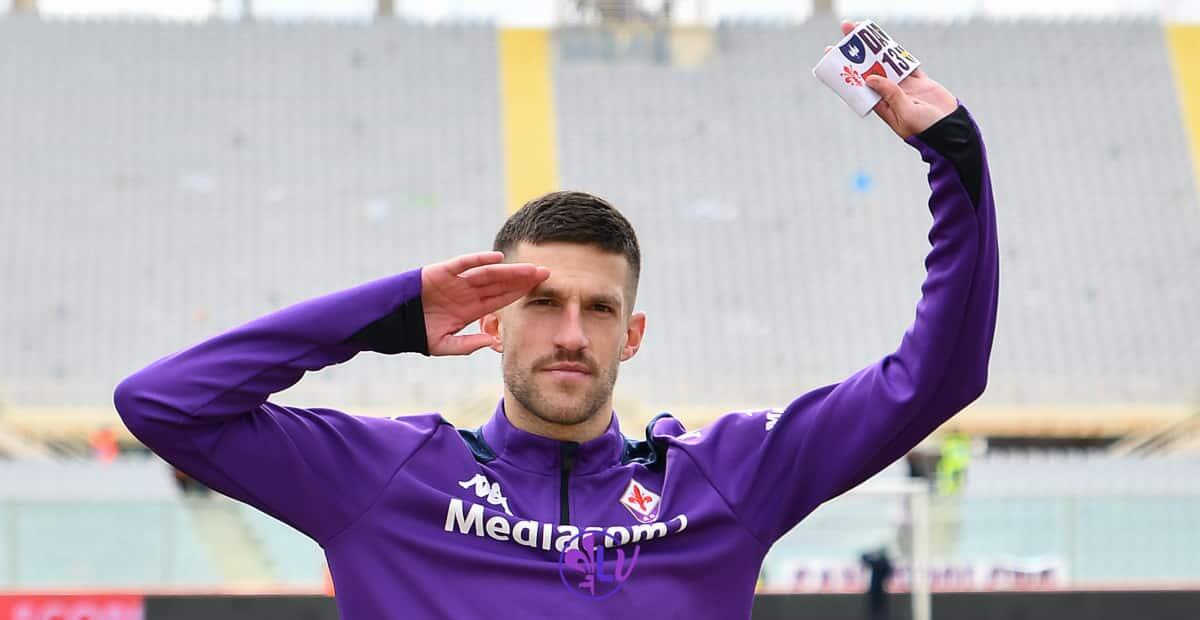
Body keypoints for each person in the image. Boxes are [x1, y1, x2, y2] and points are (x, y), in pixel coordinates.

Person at [113, 21, 997, 619]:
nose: (571, 331)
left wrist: (956, 157)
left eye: (598, 308)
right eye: (540, 303)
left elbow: (939, 378)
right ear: (492, 323)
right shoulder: (385, 480)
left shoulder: (727, 478)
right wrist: (386, 314)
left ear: (632, 335)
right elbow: (162, 403)